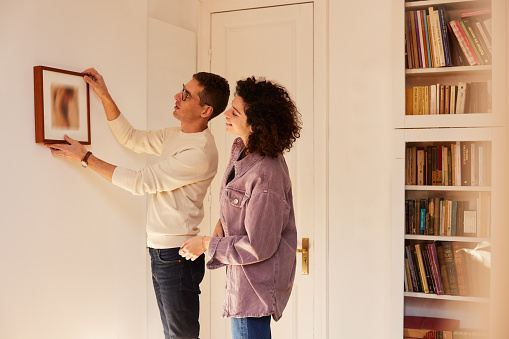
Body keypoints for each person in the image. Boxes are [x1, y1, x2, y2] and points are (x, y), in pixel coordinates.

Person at [46, 68, 230, 339]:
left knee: (181, 336)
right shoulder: (175, 135)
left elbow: (140, 182)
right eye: (183, 88)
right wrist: (104, 95)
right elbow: (130, 138)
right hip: (161, 250)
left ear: (205, 111)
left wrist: (86, 158)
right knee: (173, 335)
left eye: (187, 95)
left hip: (176, 254)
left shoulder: (199, 152)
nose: (177, 95)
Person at [179, 76, 302, 339]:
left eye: (234, 111)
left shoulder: (266, 174)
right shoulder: (241, 151)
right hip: (242, 287)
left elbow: (258, 246)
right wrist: (214, 236)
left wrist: (205, 244)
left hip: (253, 293)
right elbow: (231, 207)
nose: (226, 113)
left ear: (256, 124)